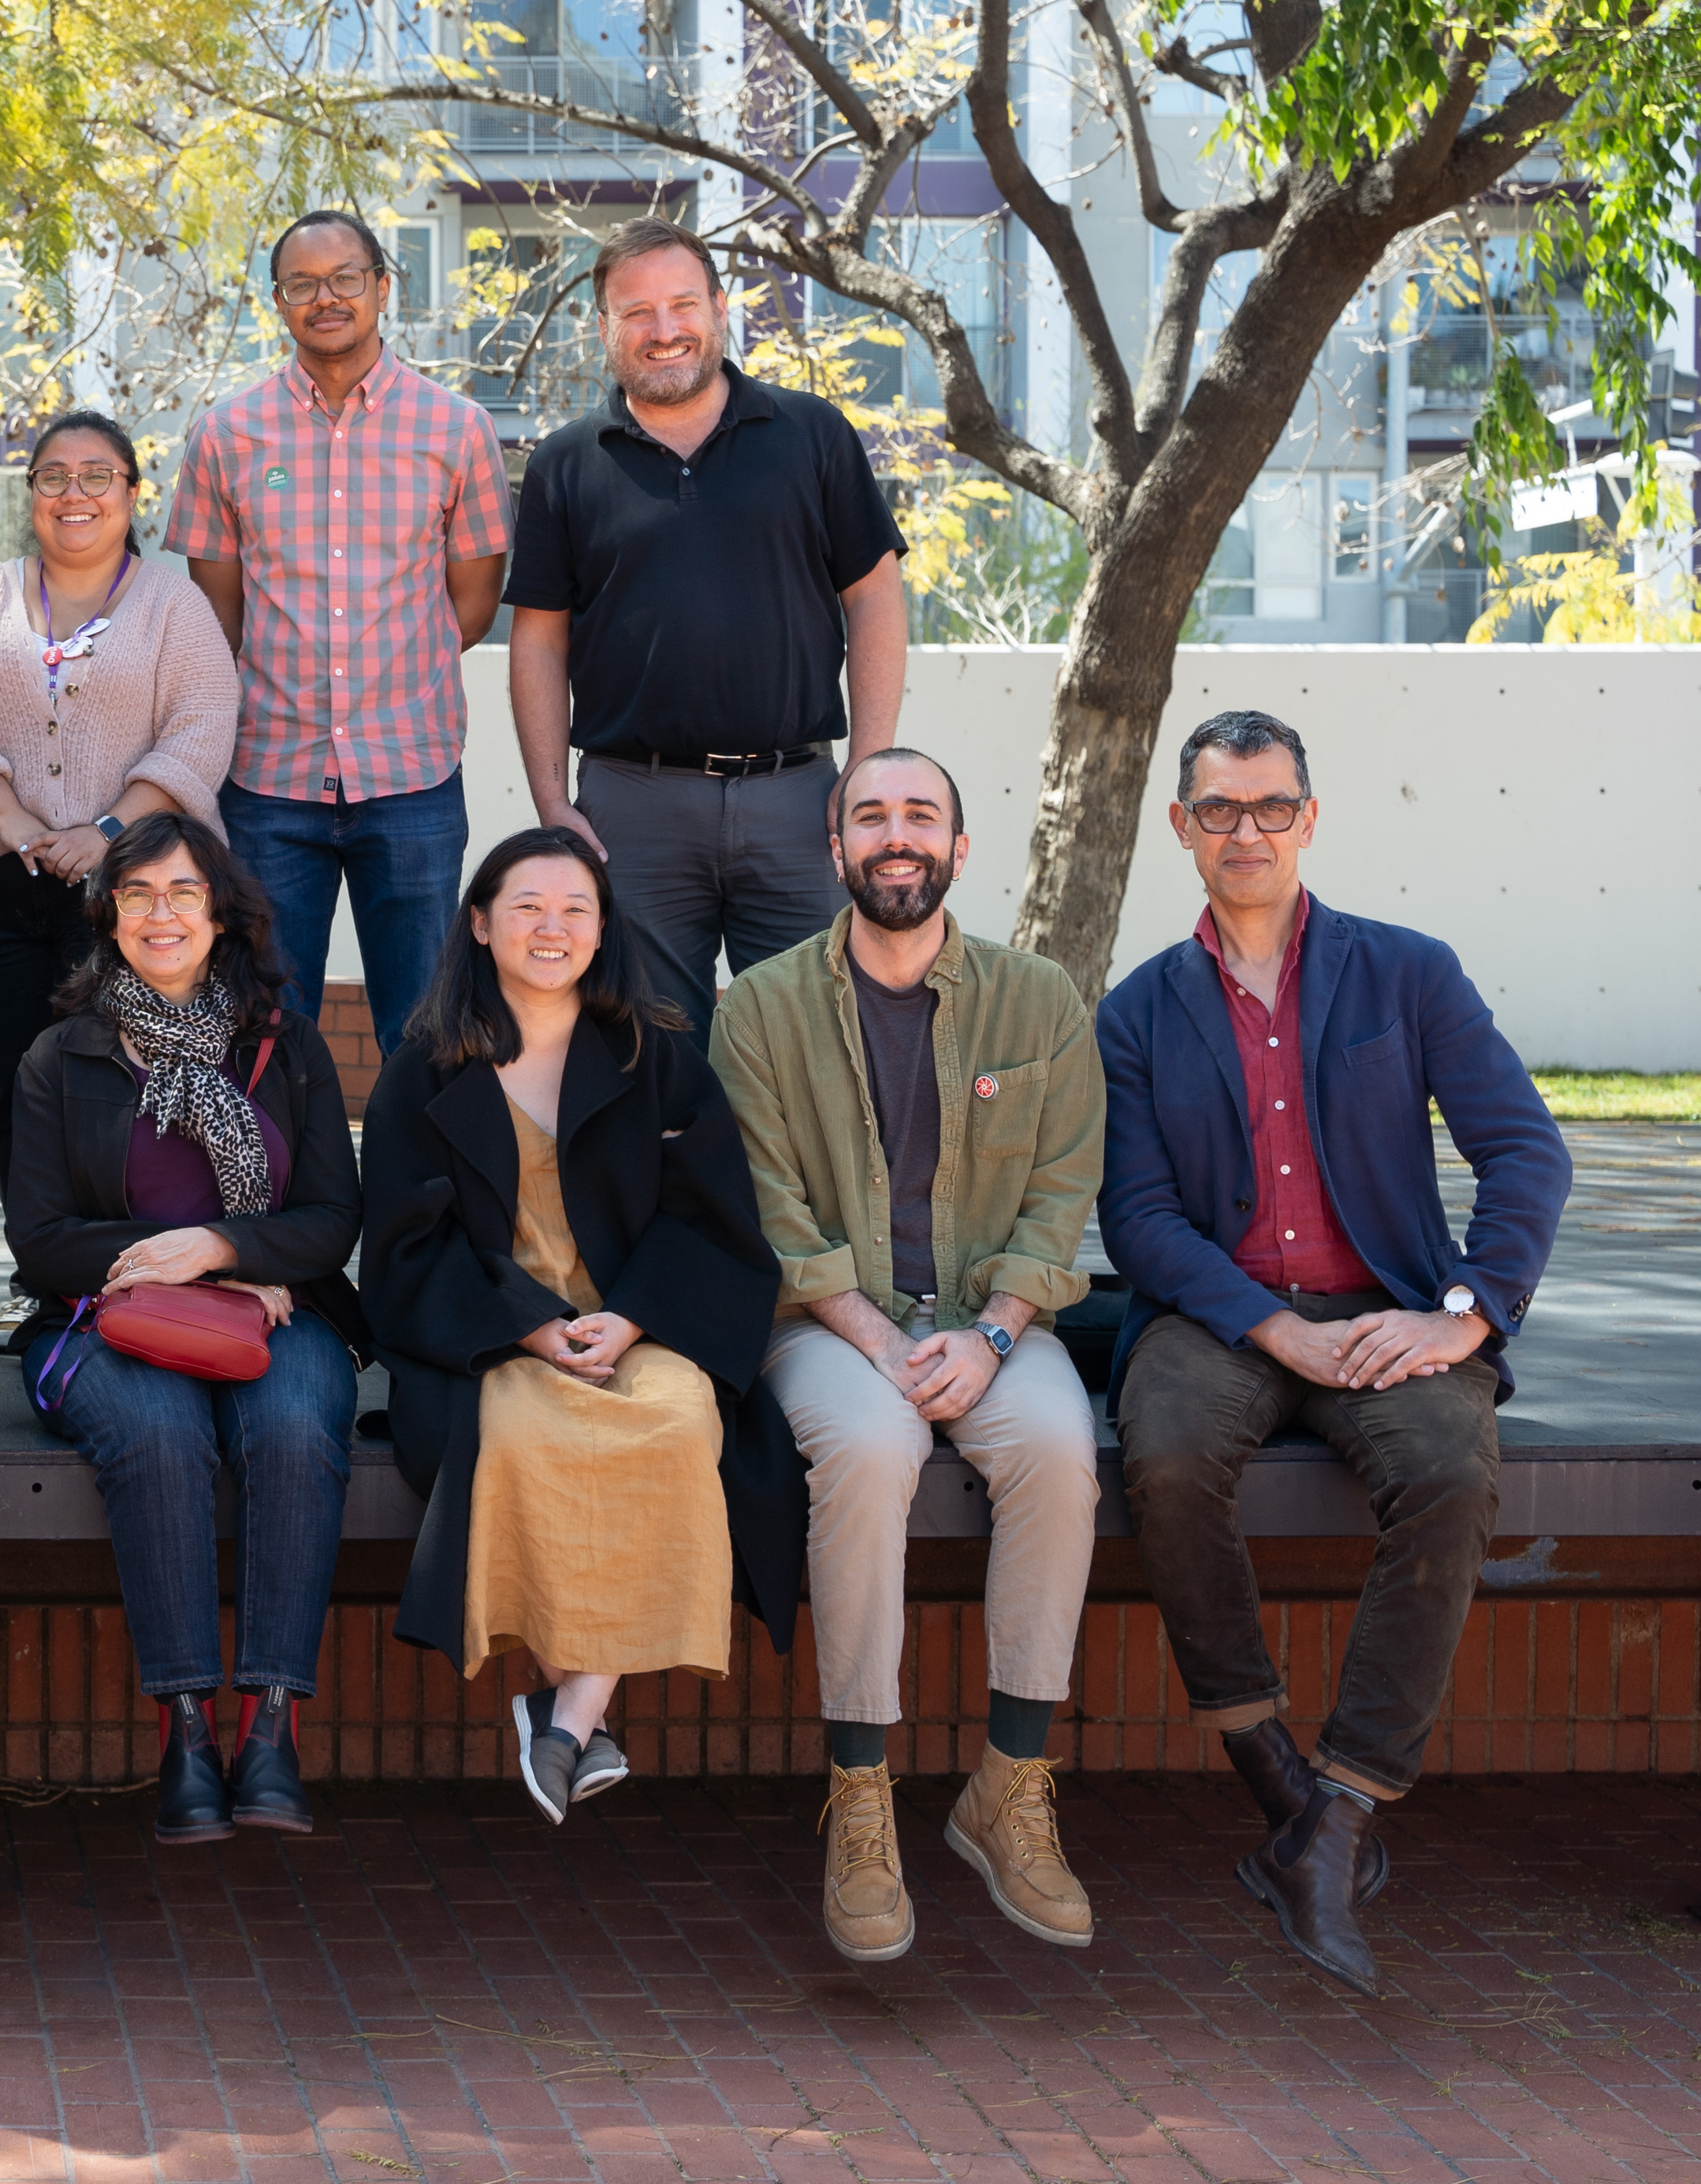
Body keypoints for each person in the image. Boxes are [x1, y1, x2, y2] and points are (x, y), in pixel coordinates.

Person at [1099, 710, 1570, 1996]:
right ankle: (1274, 1782)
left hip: (1388, 1306)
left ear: (1306, 818)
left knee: (1450, 1475)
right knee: (1166, 1456)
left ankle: (1339, 1818)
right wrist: (1273, 1331)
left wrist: (1462, 1314)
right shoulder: (1136, 1011)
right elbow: (1137, 1217)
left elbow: (1523, 1149)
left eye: (1269, 807)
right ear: (1181, 826)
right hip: (1220, 1315)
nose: (1244, 831)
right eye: (1217, 809)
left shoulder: (1404, 973)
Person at [709, 748, 1104, 1963]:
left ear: (958, 849)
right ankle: (860, 1798)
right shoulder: (757, 1007)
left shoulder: (1037, 998)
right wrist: (881, 1339)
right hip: (828, 1322)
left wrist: (989, 1336)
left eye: (919, 815)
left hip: (993, 1318)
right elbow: (770, 1211)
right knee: (871, 1451)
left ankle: (1009, 1784)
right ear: (834, 849)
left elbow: (1060, 1195)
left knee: (1056, 1446)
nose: (895, 835)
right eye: (870, 816)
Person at [358, 827, 805, 1827]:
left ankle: (566, 1714)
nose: (551, 927)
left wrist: (633, 1313)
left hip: (643, 1326)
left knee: (680, 1424)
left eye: (575, 908)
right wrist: (526, 1327)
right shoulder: (423, 1069)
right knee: (521, 1438)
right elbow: (402, 1246)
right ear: (481, 923)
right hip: (497, 1339)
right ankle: (577, 1716)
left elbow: (714, 1218)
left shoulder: (658, 1056)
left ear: (604, 930)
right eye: (527, 906)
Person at [0, 815, 365, 1843]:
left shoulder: (285, 1045)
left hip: (275, 1312)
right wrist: (169, 1260)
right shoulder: (59, 1056)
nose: (160, 914)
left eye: (183, 892)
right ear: (108, 915)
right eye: (137, 893)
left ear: (221, 914)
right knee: (159, 1433)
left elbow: (333, 1219)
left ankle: (271, 1727)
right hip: (101, 1319)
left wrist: (219, 1247)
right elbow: (39, 1239)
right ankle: (187, 1732)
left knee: (294, 1425)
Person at [508, 217, 909, 1044]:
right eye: (637, 312)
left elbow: (875, 597)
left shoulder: (812, 434)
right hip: (632, 807)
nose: (664, 330)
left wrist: (867, 775)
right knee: (645, 1051)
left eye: (683, 305)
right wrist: (552, 803)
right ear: (604, 326)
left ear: (720, 309)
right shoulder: (564, 464)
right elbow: (539, 639)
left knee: (817, 1044)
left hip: (799, 801)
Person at [162, 210, 508, 1055]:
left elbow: (470, 606)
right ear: (277, 301)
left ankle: (414, 1154)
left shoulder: (458, 428)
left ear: (382, 287)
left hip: (414, 775)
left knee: (426, 1030)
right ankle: (281, 1154)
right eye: (303, 284)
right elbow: (218, 617)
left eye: (346, 277)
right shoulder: (226, 434)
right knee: (265, 1030)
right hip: (269, 780)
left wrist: (397, 674)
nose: (327, 298)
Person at [0, 412, 238, 1177]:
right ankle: (36, 1246)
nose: (74, 493)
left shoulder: (174, 604)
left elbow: (201, 728)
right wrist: (11, 818)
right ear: (32, 493)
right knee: (10, 1084)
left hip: (134, 893)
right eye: (53, 476)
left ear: (132, 493)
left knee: (124, 1084)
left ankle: (123, 1243)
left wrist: (108, 831)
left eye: (97, 476)